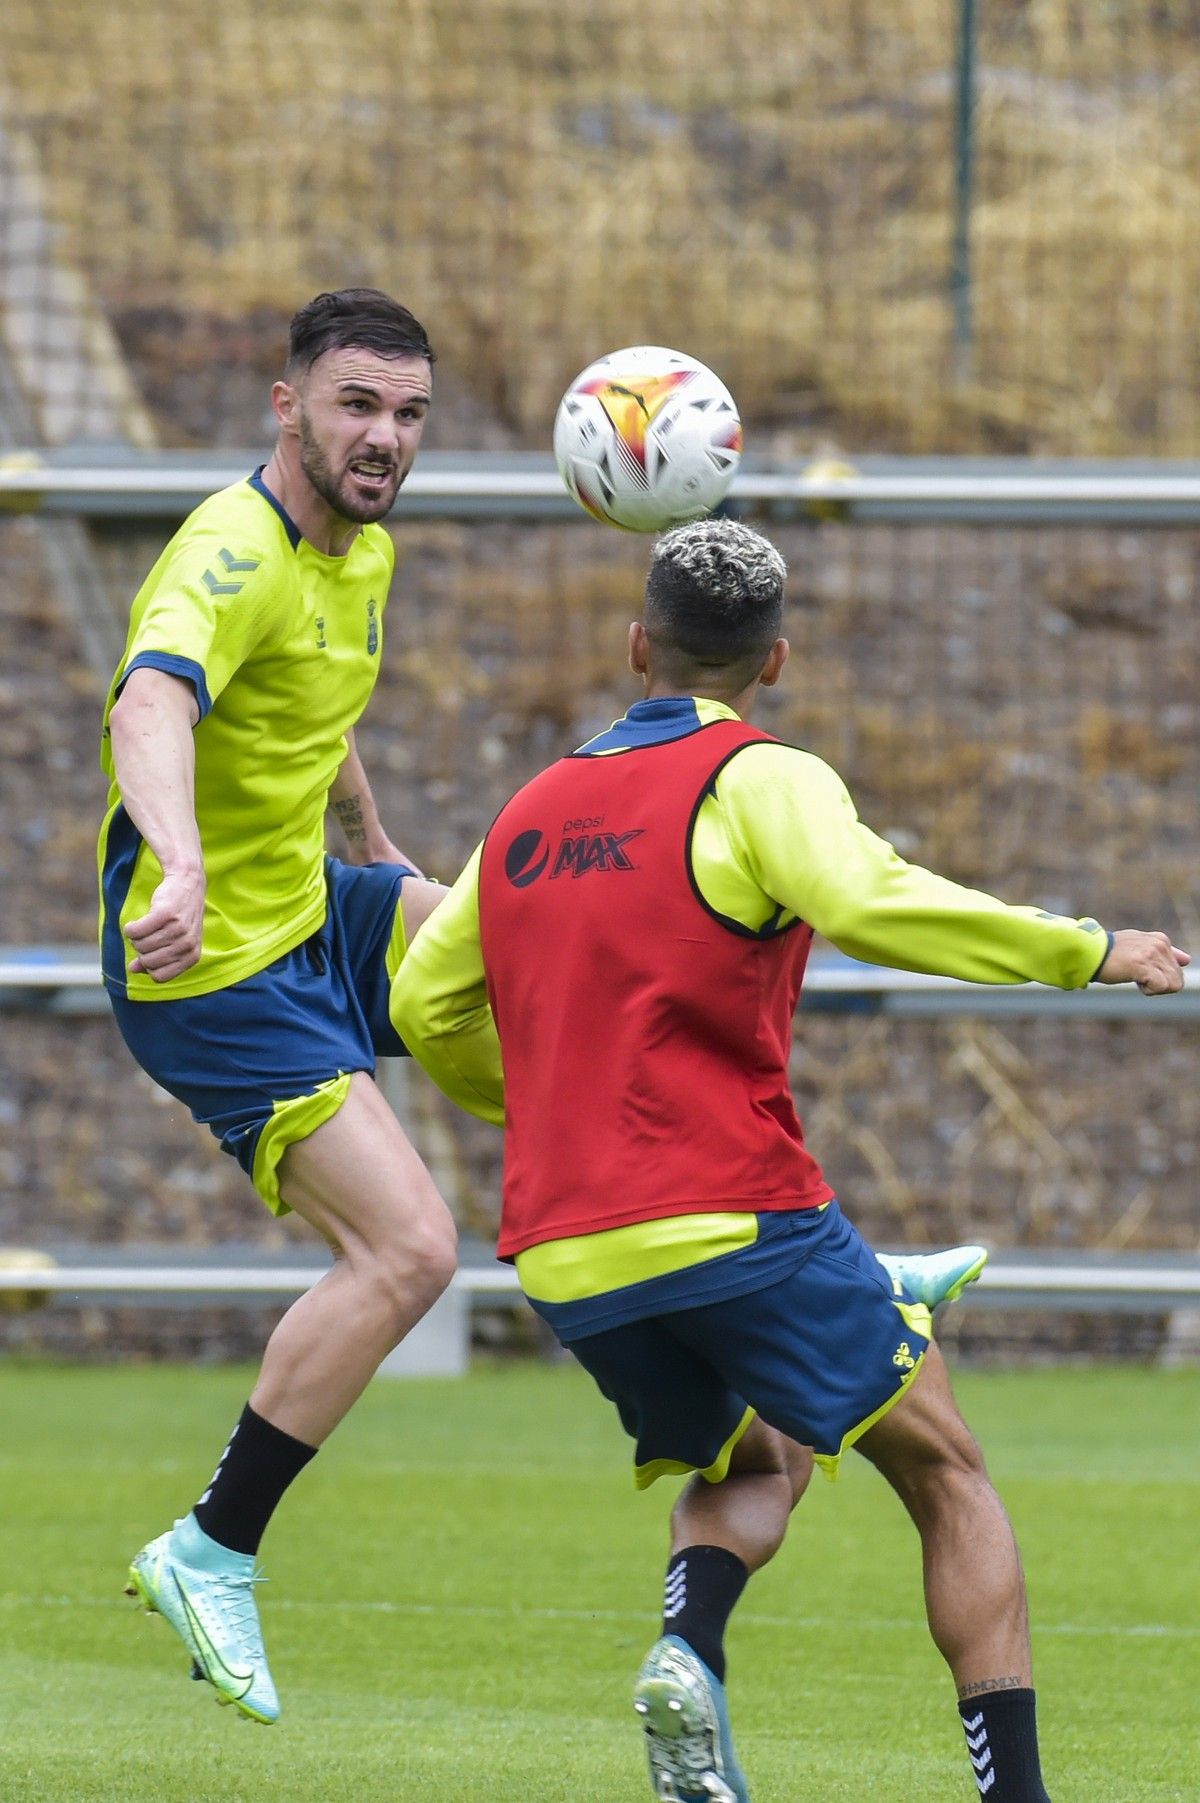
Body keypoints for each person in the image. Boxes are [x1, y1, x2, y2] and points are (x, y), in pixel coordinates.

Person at [389, 517, 1187, 1803]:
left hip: (566, 1248)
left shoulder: (527, 812)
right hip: (732, 1214)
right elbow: (871, 902)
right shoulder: (763, 778)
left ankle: (685, 1652)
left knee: (759, 1458)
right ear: (776, 662)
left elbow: (429, 1008)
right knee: (946, 1471)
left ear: (637, 644)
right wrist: (1086, 947)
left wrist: (546, 1112)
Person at [101, 289, 456, 1724]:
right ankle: (213, 1543)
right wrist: (177, 856)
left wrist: (376, 851)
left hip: (312, 906)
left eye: (411, 413)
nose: (385, 436)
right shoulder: (231, 549)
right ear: (287, 403)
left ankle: (787, 1247)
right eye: (359, 403)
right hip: (213, 968)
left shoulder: (360, 549)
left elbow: (316, 712)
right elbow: (152, 701)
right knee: (413, 1248)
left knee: (541, 948)